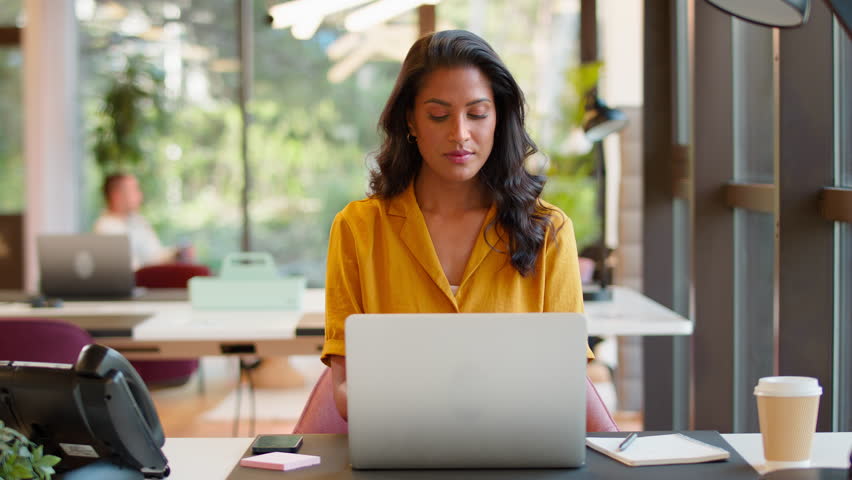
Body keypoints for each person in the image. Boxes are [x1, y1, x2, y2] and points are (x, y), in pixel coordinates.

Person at [321, 30, 590, 420]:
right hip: (401, 453)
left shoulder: (548, 229)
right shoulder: (357, 228)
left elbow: (567, 381)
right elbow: (344, 389)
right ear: (411, 120)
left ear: (498, 118)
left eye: (478, 114)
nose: (460, 134)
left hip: (518, 455)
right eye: (438, 115)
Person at [93, 173, 190, 270]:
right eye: (134, 190)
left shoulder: (137, 220)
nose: (140, 195)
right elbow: (131, 271)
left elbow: (155, 255)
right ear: (116, 195)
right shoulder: (105, 229)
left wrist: (177, 253)